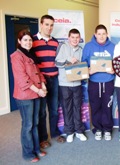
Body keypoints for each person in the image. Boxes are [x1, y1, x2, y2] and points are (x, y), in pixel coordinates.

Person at [11, 29, 47, 163]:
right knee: (28, 125)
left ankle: (36, 149)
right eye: (25, 40)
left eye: (30, 40)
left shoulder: (30, 55)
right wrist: (38, 91)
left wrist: (43, 85)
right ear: (19, 41)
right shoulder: (16, 56)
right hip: (25, 95)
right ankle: (28, 153)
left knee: (35, 123)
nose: (28, 42)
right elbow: (23, 79)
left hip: (36, 94)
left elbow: (38, 73)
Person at [32, 14, 64, 149]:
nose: (49, 28)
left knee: (54, 110)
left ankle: (55, 134)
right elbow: (32, 64)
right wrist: (40, 81)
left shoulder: (55, 42)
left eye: (51, 25)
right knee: (42, 112)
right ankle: (43, 138)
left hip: (54, 79)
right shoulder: (32, 41)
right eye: (47, 24)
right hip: (41, 81)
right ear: (41, 24)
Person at [82, 24, 115, 141]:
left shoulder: (113, 47)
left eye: (104, 34)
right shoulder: (88, 46)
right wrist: (88, 71)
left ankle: (107, 129)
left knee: (107, 106)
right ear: (95, 34)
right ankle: (97, 128)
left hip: (108, 81)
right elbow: (83, 63)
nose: (101, 36)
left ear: (107, 35)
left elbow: (117, 63)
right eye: (99, 34)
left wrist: (114, 70)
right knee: (95, 106)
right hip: (94, 82)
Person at [55, 29, 87, 142]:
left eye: (77, 37)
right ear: (68, 38)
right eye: (73, 37)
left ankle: (79, 131)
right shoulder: (62, 47)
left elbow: (84, 65)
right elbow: (57, 63)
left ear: (79, 38)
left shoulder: (81, 50)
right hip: (64, 84)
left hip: (77, 83)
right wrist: (69, 60)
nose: (75, 39)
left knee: (77, 108)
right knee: (67, 108)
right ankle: (69, 132)